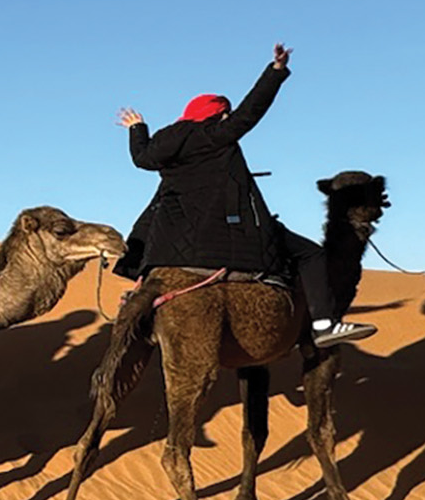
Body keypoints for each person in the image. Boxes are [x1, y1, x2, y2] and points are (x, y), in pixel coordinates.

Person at [115, 44, 373, 347]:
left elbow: (140, 158)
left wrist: (137, 128)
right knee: (311, 255)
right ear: (220, 114)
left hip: (168, 243)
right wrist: (275, 72)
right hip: (227, 232)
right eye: (227, 114)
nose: (230, 119)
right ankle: (323, 325)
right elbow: (253, 109)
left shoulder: (162, 146)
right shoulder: (215, 135)